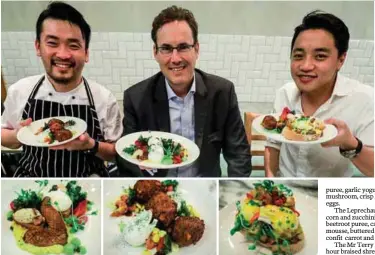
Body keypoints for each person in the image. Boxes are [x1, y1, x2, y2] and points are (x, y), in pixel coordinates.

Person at [118, 5, 251, 177]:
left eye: (183, 47)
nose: (175, 59)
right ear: (155, 53)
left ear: (196, 49)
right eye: (166, 48)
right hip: (158, 190)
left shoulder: (222, 93)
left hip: (205, 188)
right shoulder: (136, 99)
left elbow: (239, 155)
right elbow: (127, 159)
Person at [1, 2, 123, 177]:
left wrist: (91, 145)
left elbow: (115, 154)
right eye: (52, 43)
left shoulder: (103, 98)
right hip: (31, 184)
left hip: (90, 185)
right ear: (38, 47)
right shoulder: (20, 91)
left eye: (73, 45)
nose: (63, 54)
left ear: (86, 53)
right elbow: (5, 136)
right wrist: (18, 135)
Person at [265, 10, 374, 177]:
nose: (306, 66)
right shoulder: (285, 93)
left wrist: (350, 144)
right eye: (298, 56)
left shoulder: (364, 99)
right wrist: (270, 179)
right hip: (287, 191)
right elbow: (273, 144)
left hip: (330, 196)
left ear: (341, 60)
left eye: (320, 56)